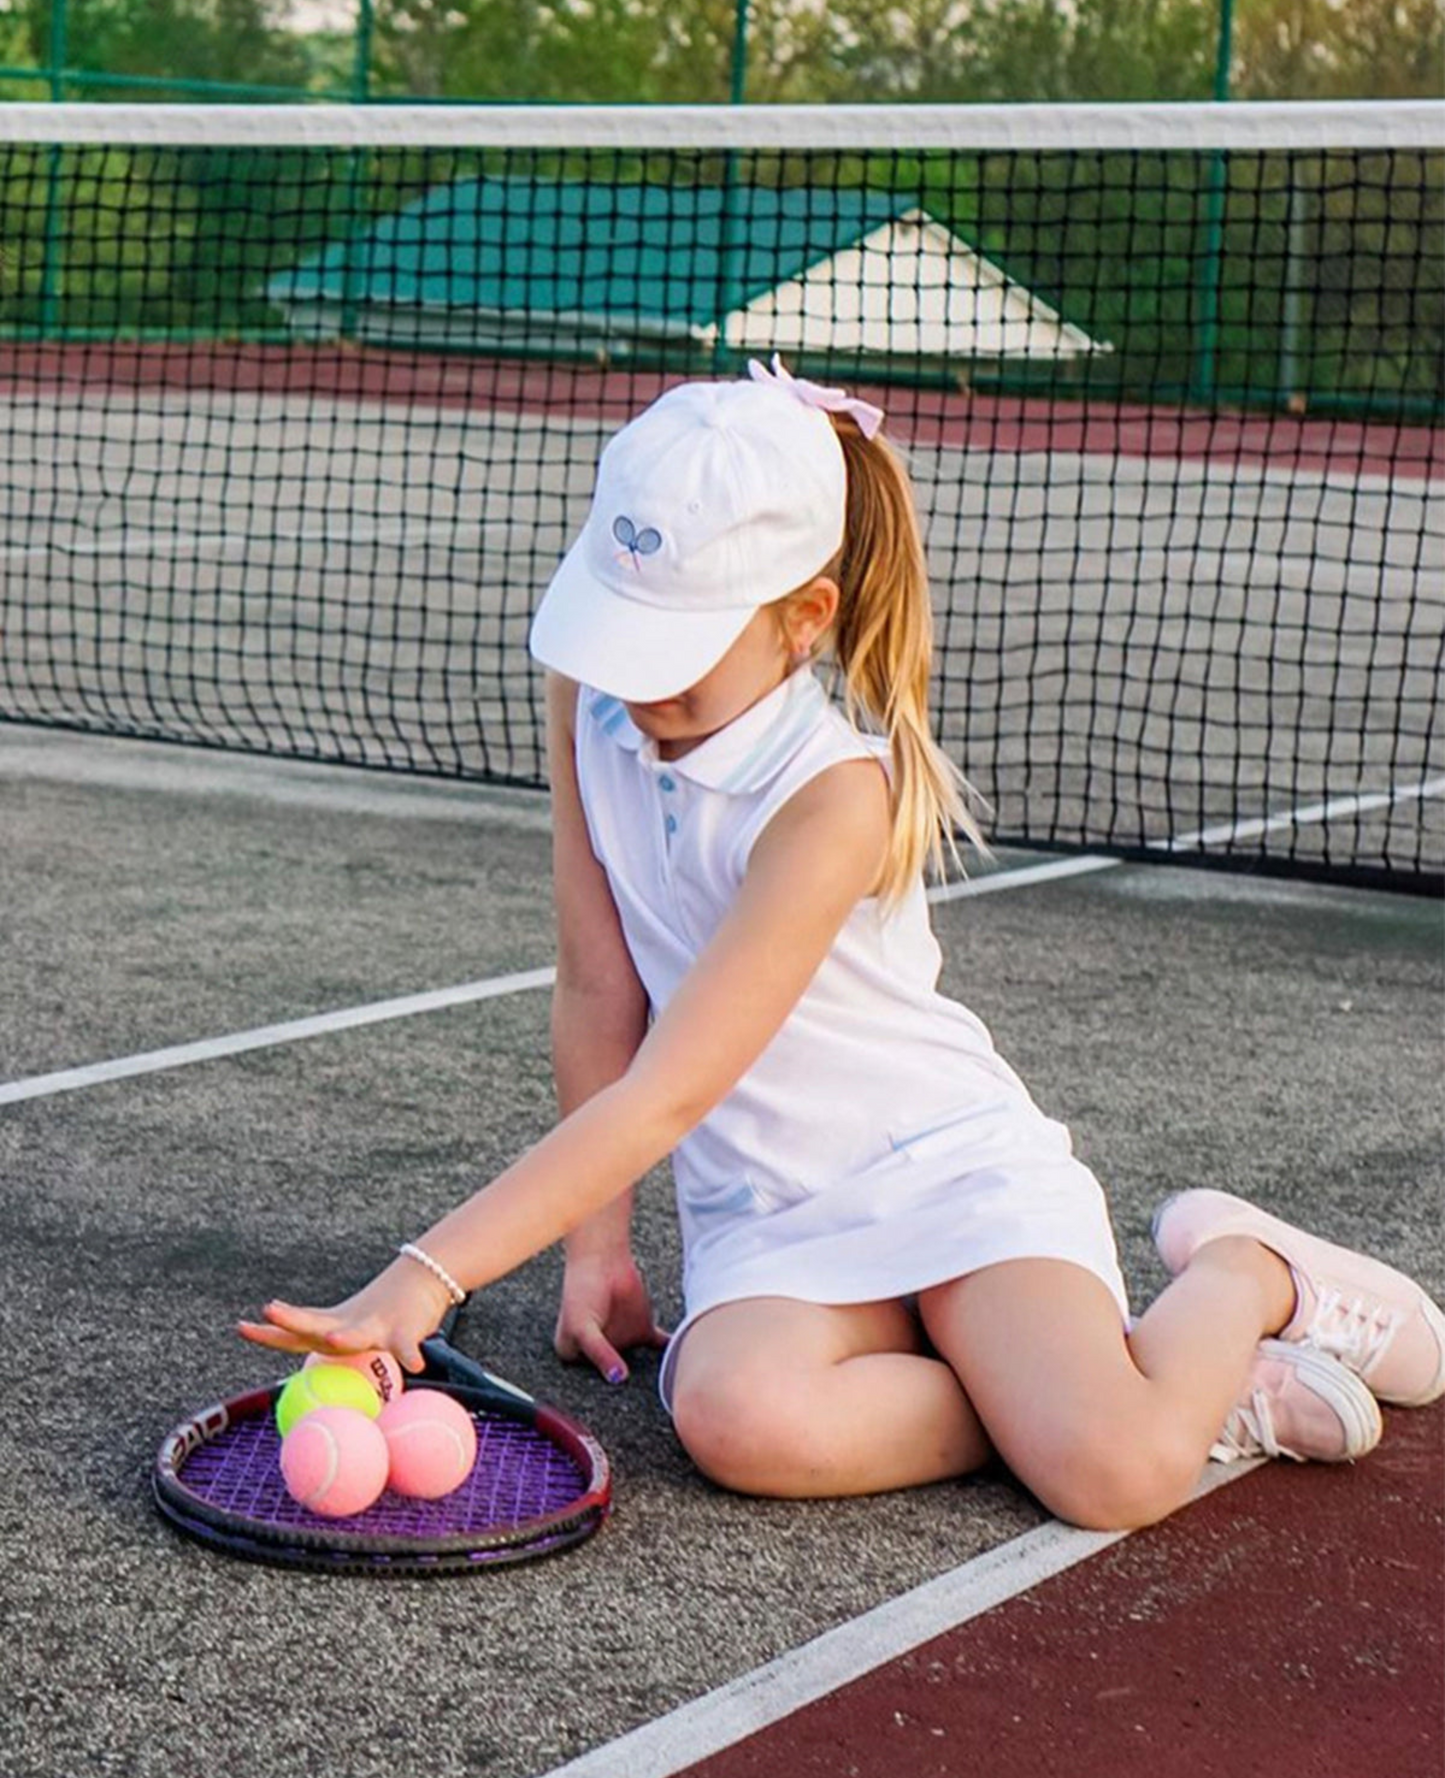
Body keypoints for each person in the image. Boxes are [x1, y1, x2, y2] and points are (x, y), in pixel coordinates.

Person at [240, 357, 1444, 1529]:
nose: (631, 679)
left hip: (948, 1171)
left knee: (1115, 1475)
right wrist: (594, 1248)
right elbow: (596, 978)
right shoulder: (585, 694)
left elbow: (668, 1088)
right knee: (733, 1421)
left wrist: (426, 1274)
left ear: (803, 619)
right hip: (769, 1217)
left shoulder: (830, 795)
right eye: (621, 632)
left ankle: (1239, 1274)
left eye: (676, 652)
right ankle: (1078, 1384)